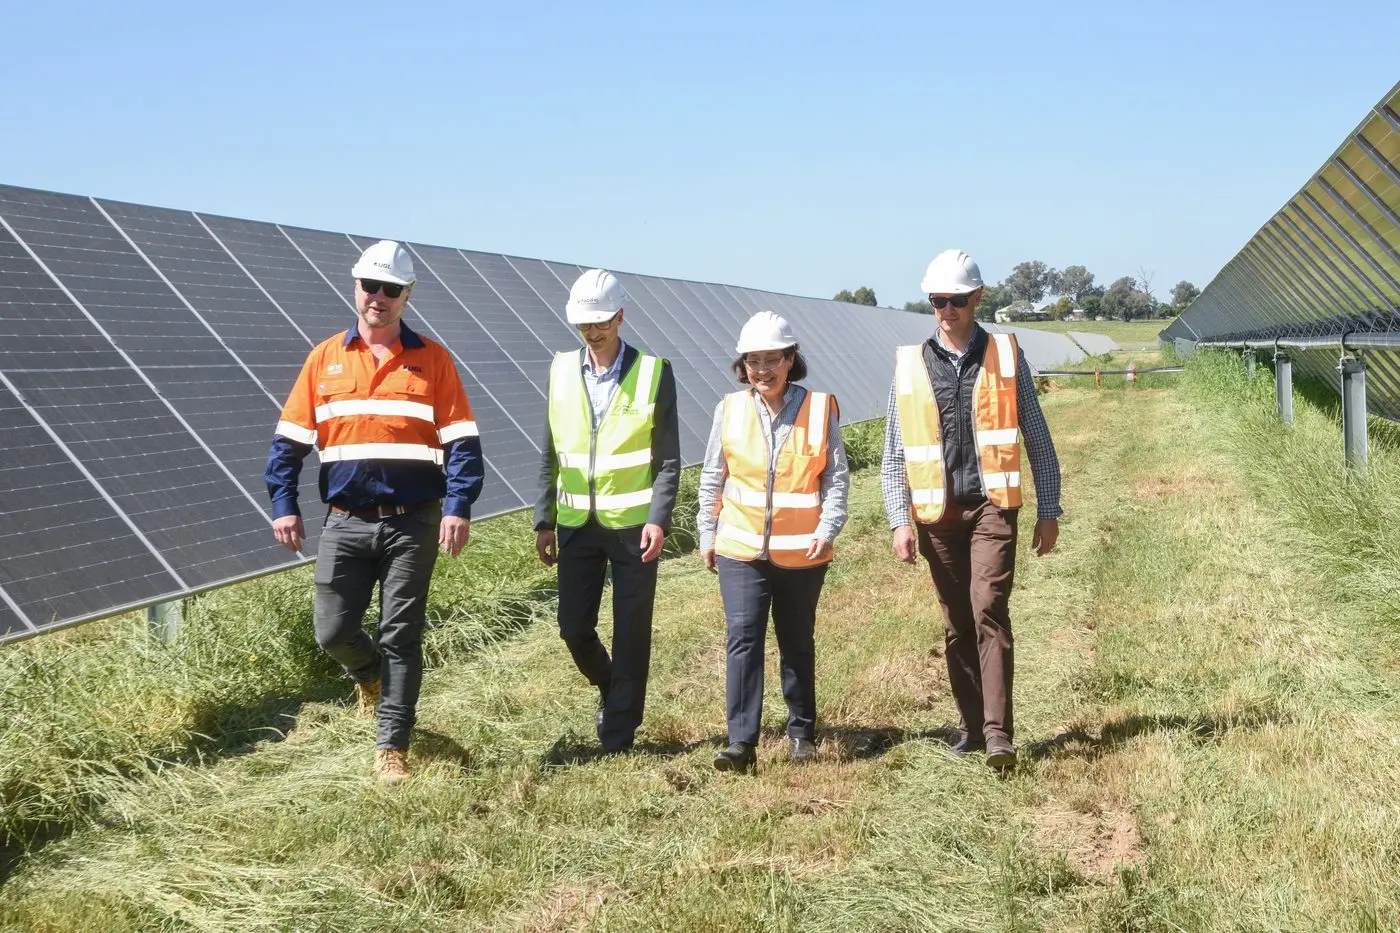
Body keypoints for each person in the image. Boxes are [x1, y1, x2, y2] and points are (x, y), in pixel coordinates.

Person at [265, 240, 483, 784]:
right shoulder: (324, 359)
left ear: (407, 296)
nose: (378, 298)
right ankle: (369, 677)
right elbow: (289, 441)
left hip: (414, 519)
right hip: (345, 519)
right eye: (370, 286)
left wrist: (458, 507)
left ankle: (392, 749)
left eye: (391, 289)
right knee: (332, 630)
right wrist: (284, 503)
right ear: (355, 287)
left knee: (400, 634)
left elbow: (461, 442)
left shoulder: (432, 359)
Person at [881, 249, 1062, 770]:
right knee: (957, 621)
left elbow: (1037, 435)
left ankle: (999, 734)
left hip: (992, 506)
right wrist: (899, 520)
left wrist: (1049, 506)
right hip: (937, 515)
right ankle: (971, 727)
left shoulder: (1006, 355)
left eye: (956, 300)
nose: (946, 310)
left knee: (988, 608)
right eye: (937, 301)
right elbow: (895, 452)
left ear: (977, 298)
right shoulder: (911, 366)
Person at [534, 269, 681, 755]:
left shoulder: (654, 373)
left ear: (620, 316)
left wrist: (659, 518)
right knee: (573, 627)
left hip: (634, 527)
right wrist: (544, 519)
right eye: (584, 323)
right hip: (577, 524)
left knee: (632, 629)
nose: (592, 331)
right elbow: (550, 451)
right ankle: (610, 685)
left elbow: (668, 459)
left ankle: (618, 731)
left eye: (601, 321)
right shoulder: (559, 370)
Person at [699, 311, 849, 773]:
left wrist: (827, 530)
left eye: (771, 359)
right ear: (742, 365)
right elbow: (713, 476)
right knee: (742, 637)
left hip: (802, 551)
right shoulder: (730, 408)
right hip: (739, 550)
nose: (762, 369)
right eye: (752, 360)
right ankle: (740, 742)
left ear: (790, 360)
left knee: (796, 640)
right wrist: (707, 531)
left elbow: (836, 479)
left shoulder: (820, 408)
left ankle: (801, 731)